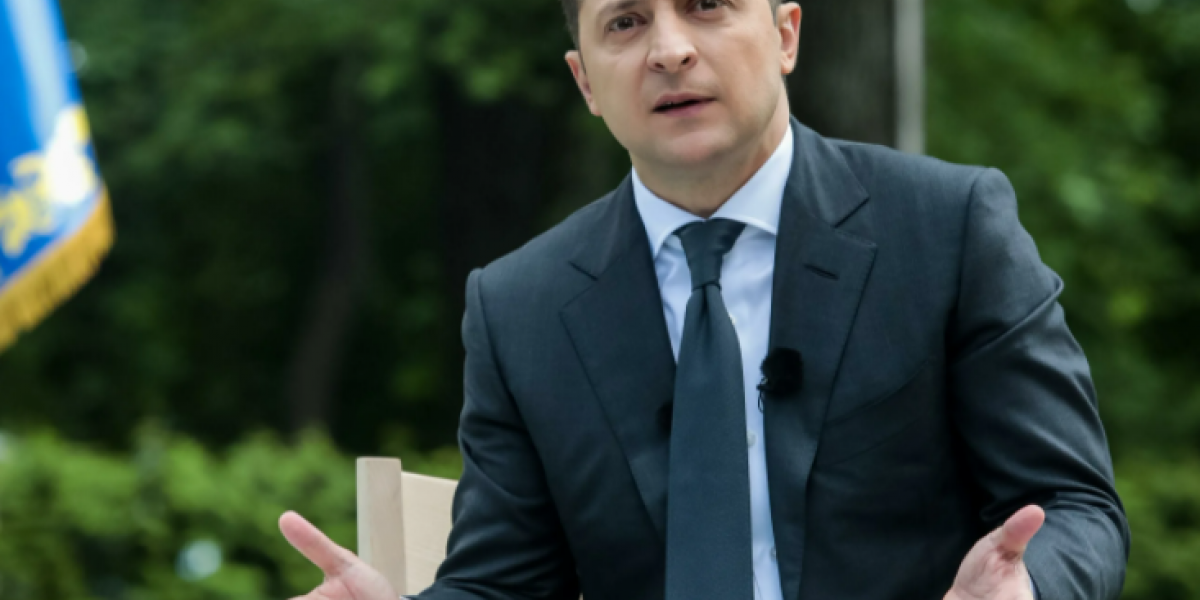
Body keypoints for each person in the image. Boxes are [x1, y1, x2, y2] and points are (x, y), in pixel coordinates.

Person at [278, 0, 1131, 598]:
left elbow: (1076, 507)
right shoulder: (518, 306)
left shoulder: (947, 228)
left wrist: (1027, 588)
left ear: (786, 32)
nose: (670, 50)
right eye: (625, 22)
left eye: (707, 5)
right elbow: (504, 584)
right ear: (585, 82)